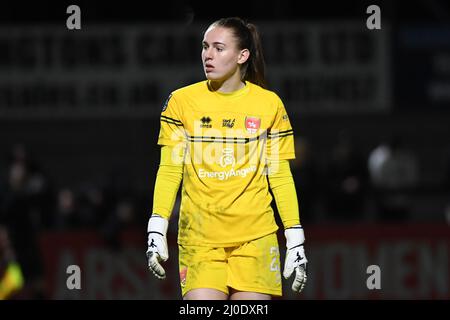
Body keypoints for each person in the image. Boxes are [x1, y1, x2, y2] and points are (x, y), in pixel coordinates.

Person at [146, 17, 308, 300]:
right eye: (205, 47)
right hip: (199, 239)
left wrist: (295, 237)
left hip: (255, 238)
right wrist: (157, 226)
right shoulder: (180, 102)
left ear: (242, 55)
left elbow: (279, 175)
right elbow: (170, 169)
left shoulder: (269, 105)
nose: (208, 55)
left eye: (219, 48)